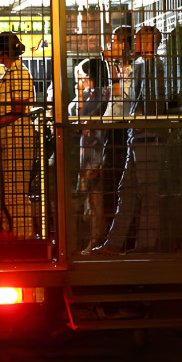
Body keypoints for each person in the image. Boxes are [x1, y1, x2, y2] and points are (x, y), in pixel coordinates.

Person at [91, 25, 166, 254]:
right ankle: (116, 243)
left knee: (146, 191)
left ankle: (143, 245)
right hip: (138, 134)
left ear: (148, 43)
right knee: (128, 191)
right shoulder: (144, 65)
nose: (134, 43)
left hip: (145, 134)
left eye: (138, 39)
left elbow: (146, 100)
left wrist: (135, 115)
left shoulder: (152, 65)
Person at [0, 31, 38, 238]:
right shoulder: (11, 73)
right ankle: (11, 235)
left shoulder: (20, 74)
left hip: (18, 139)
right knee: (7, 192)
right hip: (9, 140)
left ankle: (23, 237)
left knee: (16, 193)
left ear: (1, 53)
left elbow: (19, 109)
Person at [71, 57, 110, 252]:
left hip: (95, 153)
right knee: (91, 199)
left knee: (95, 198)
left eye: (82, 75)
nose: (80, 79)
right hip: (88, 152)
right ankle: (93, 239)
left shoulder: (101, 95)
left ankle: (96, 239)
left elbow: (85, 120)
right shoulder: (90, 94)